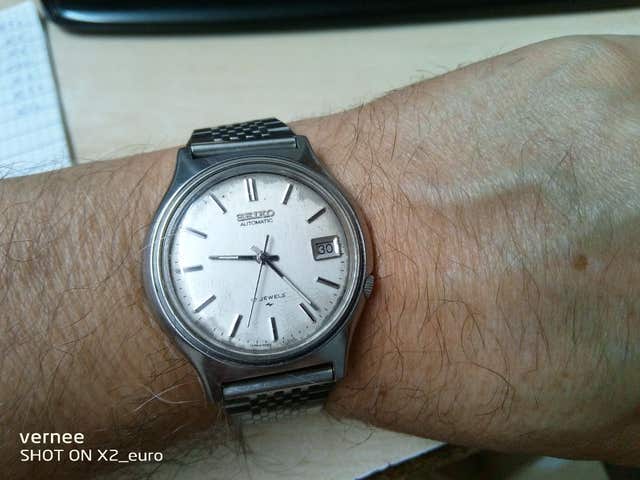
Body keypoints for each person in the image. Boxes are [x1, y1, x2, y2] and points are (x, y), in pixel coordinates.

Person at [1, 35, 639, 479]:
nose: (262, 258)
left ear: (365, 279)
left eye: (263, 254)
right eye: (256, 256)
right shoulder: (180, 268)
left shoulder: (320, 234)